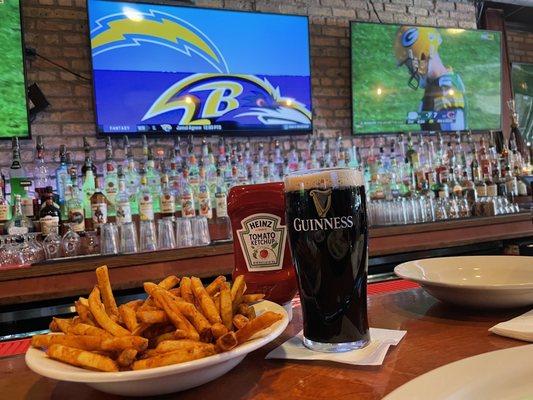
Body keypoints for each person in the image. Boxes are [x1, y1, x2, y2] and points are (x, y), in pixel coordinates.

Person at [394, 26, 467, 131]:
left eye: (410, 65)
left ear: (422, 58)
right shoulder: (448, 80)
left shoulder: (442, 91)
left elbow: (452, 136)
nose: (410, 72)